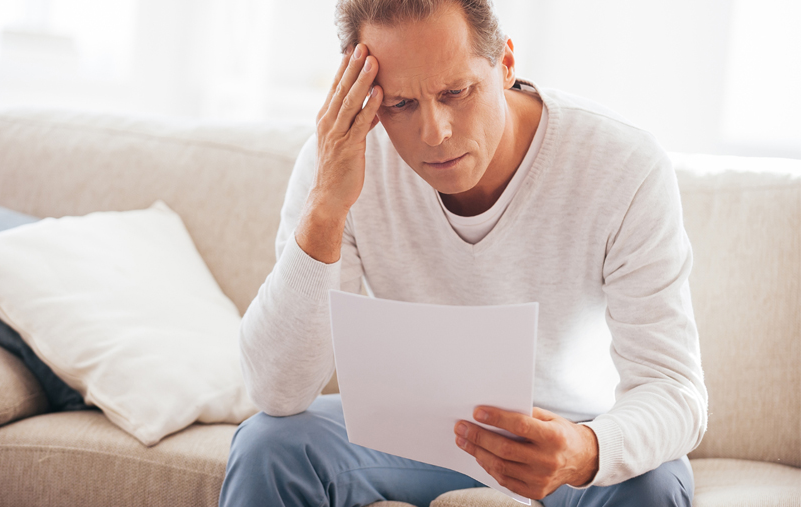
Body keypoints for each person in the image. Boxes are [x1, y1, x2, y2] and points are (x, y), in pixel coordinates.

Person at [218, 1, 707, 506]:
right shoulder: (340, 164)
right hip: (407, 432)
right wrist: (325, 211)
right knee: (268, 444)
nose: (435, 132)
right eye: (401, 104)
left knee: (653, 482)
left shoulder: (623, 165)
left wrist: (587, 449)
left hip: (565, 433)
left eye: (457, 92)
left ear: (507, 65)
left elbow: (674, 388)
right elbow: (278, 393)